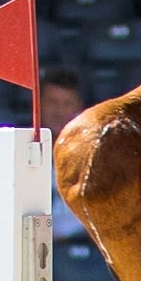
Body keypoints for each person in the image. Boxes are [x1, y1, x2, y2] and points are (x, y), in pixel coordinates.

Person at [40, 68, 87, 242]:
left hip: (80, 245)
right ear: (39, 104)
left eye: (67, 103)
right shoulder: (20, 149)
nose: (59, 111)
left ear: (78, 108)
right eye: (52, 102)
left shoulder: (94, 153)